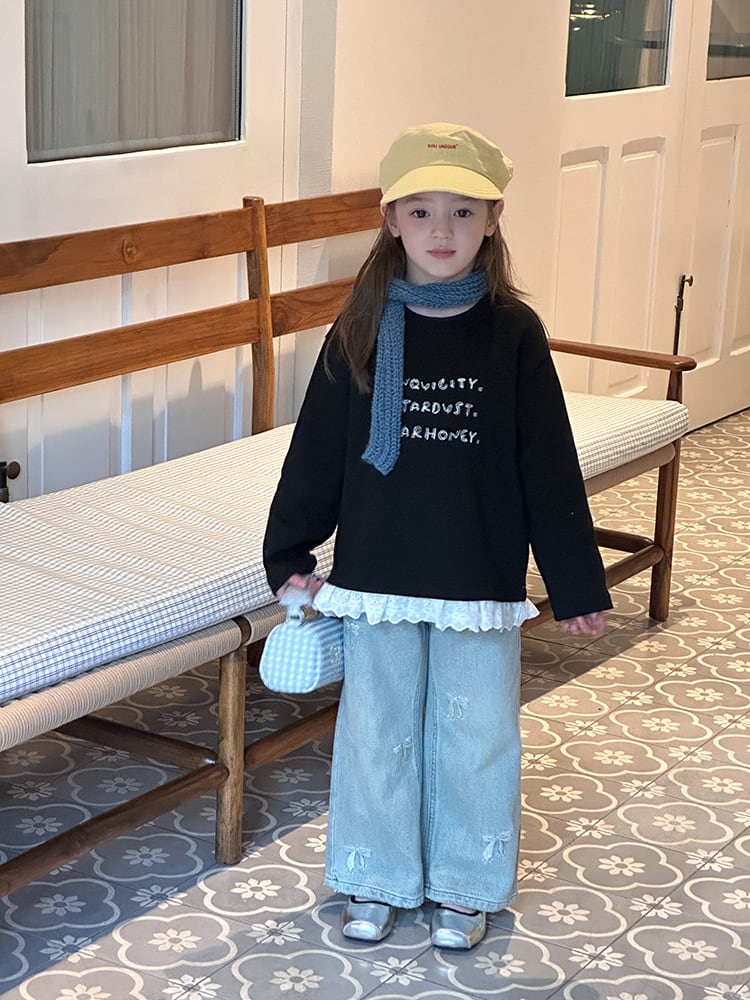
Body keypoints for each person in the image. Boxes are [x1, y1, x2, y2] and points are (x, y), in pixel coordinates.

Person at [263, 122, 611, 950]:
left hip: (476, 576)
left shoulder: (513, 332)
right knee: (376, 732)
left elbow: (546, 462)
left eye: (462, 211)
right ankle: (376, 875)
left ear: (493, 219)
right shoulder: (357, 328)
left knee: (475, 734)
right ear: (391, 220)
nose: (442, 230)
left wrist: (575, 580)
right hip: (377, 573)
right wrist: (290, 554)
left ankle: (465, 884)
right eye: (420, 211)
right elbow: (317, 449)